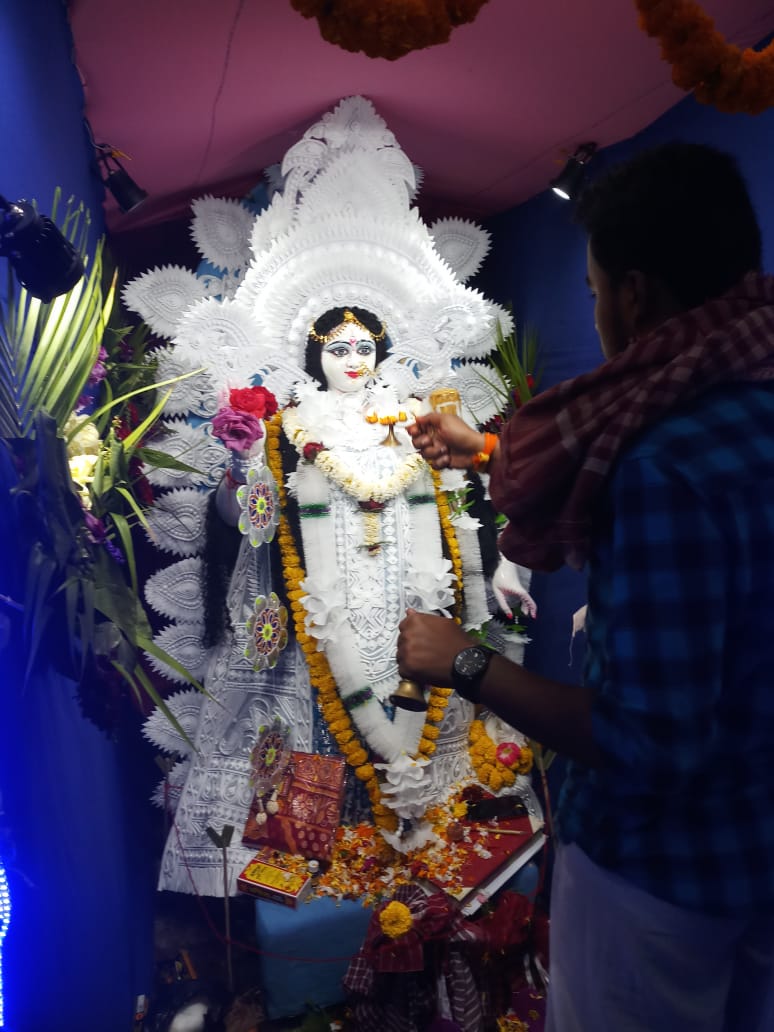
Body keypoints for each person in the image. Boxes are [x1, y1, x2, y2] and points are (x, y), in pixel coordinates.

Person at [397, 142, 774, 1031]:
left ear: (636, 293)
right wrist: (488, 450)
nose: (598, 313)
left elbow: (645, 741)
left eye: (598, 293)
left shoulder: (663, 469)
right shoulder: (740, 391)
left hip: (661, 880)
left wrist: (468, 664)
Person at [153, 302, 537, 893]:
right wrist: (239, 466)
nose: (353, 361)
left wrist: (504, 563)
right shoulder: (290, 429)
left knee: (424, 714)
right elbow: (243, 523)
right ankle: (343, 851)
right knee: (336, 716)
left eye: (363, 348)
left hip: (418, 602)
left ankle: (430, 838)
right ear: (316, 358)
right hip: (325, 615)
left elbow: (470, 508)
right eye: (338, 349)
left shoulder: (418, 421)